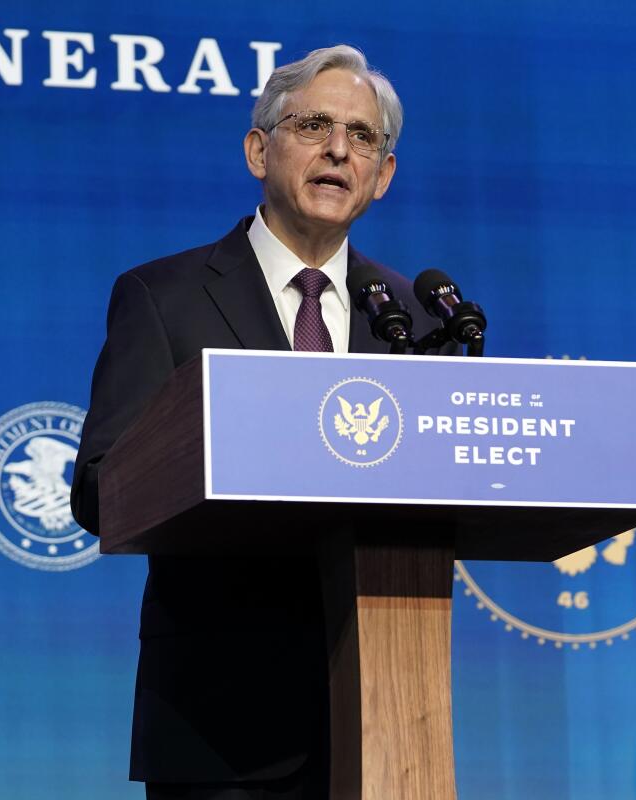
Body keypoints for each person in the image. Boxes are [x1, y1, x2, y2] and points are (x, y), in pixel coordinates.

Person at [71, 45, 451, 799]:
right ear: (258, 150)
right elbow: (100, 487)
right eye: (313, 125)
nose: (339, 149)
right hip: (220, 729)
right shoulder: (163, 297)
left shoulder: (410, 314)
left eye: (363, 137)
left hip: (392, 713)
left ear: (384, 175)